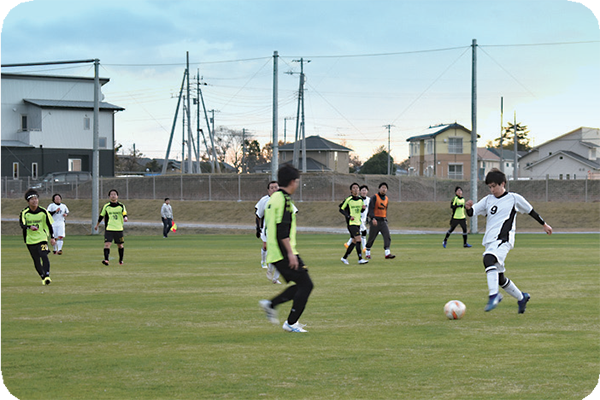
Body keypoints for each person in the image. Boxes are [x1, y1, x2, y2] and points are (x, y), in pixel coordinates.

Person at [465, 168, 553, 313]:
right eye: (490, 187)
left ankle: (494, 295)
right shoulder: (488, 200)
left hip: (503, 239)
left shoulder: (513, 198)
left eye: (494, 186)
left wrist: (544, 224)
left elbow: (531, 211)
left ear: (503, 184)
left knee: (488, 259)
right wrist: (467, 208)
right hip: (490, 241)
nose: (492, 190)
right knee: (499, 278)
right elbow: (473, 212)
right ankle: (522, 297)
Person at [259, 164, 314, 333]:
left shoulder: (274, 198)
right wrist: (290, 253)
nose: (297, 185)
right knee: (306, 285)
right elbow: (282, 230)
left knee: (301, 284)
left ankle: (271, 304)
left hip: (276, 251)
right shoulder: (283, 200)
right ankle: (290, 323)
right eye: (296, 181)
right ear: (292, 182)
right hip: (283, 251)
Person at [19, 189, 56, 285]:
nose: (35, 201)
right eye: (32, 199)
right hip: (30, 240)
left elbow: (49, 225)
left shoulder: (43, 211)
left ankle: (47, 275)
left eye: (36, 199)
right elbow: (22, 224)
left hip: (42, 238)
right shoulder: (25, 212)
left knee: (44, 255)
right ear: (28, 201)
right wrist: (29, 227)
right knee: (36, 259)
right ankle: (43, 277)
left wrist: (52, 237)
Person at [255, 181, 282, 284]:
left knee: (281, 255)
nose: (274, 189)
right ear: (268, 190)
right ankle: (267, 267)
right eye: (272, 188)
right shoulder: (265, 200)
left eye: (276, 187)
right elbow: (258, 214)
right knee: (272, 251)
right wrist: (258, 228)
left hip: (281, 231)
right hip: (269, 231)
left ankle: (274, 277)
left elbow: (293, 212)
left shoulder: (283, 199)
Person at [94, 189, 128, 266]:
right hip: (109, 228)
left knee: (120, 245)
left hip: (119, 229)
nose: (113, 195)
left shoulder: (121, 206)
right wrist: (97, 225)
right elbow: (101, 216)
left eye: (115, 194)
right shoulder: (106, 206)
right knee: (107, 244)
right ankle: (106, 260)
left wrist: (125, 217)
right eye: (111, 194)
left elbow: (124, 214)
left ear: (117, 196)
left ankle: (121, 260)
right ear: (109, 196)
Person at [339, 182, 368, 265]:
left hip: (358, 223)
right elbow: (341, 209)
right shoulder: (348, 199)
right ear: (351, 190)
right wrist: (348, 216)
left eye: (357, 188)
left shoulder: (360, 200)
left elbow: (361, 211)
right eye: (354, 188)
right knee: (359, 239)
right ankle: (360, 258)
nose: (356, 189)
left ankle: (344, 258)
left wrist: (363, 209)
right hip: (351, 223)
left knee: (354, 241)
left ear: (359, 190)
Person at [365, 182, 395, 260]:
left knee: (387, 236)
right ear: (379, 188)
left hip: (383, 220)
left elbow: (385, 209)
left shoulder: (387, 199)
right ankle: (367, 252)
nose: (384, 189)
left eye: (385, 188)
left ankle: (387, 253)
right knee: (372, 237)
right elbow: (371, 209)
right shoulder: (374, 197)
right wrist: (373, 218)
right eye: (382, 187)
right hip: (375, 220)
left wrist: (385, 218)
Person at [344, 184, 370, 252]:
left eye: (365, 190)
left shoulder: (368, 199)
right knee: (363, 232)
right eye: (362, 190)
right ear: (360, 191)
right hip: (357, 219)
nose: (364, 192)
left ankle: (348, 244)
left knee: (356, 235)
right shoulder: (357, 199)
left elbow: (368, 209)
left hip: (363, 219)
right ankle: (364, 248)